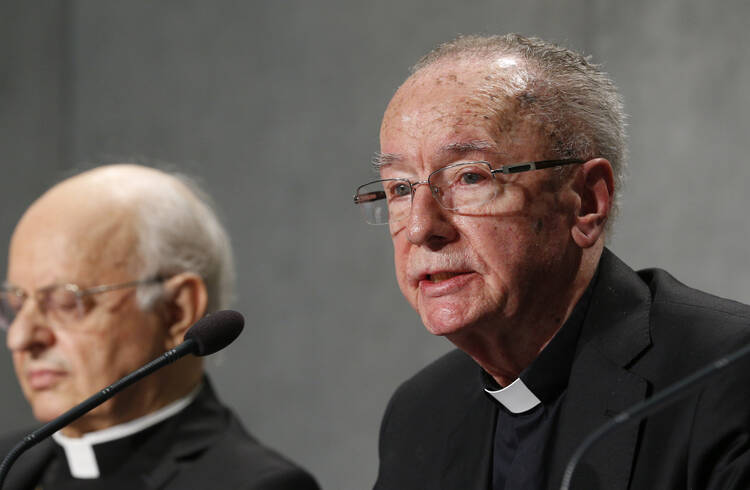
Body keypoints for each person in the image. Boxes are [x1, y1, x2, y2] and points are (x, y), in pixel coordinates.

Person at [354, 34, 750, 489]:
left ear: (584, 201)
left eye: (469, 177)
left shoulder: (727, 376)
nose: (422, 227)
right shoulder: (421, 415)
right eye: (400, 189)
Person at [0, 164, 319, 489]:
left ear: (176, 311)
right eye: (15, 304)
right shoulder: (8, 464)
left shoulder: (258, 485)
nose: (20, 337)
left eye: (65, 303)